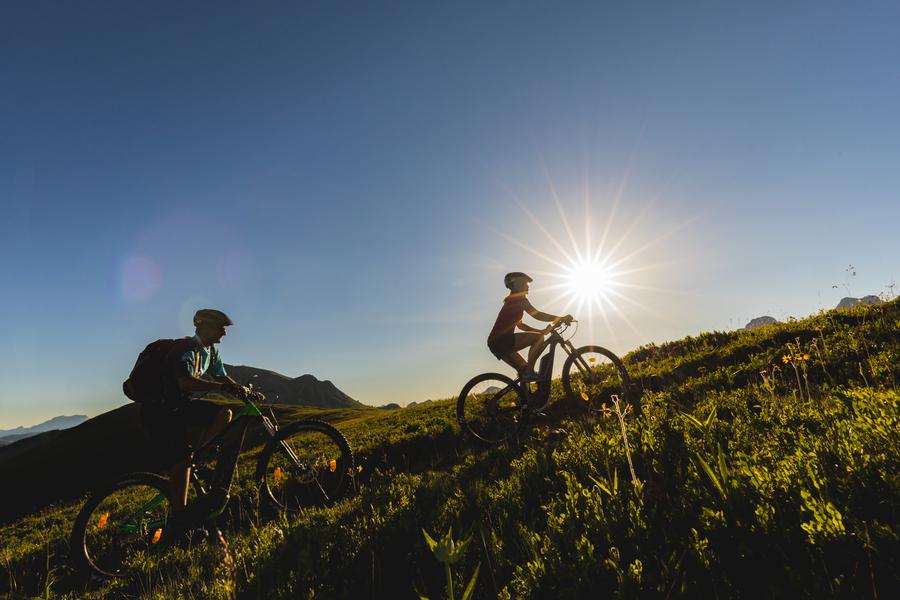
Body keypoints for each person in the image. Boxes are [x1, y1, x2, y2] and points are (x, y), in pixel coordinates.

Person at [138, 308, 251, 544]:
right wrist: (220, 388)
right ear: (204, 326)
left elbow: (221, 375)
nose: (224, 333)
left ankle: (197, 455)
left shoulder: (211, 351)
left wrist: (239, 389)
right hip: (160, 411)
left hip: (180, 408)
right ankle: (180, 526)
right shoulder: (185, 348)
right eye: (220, 327)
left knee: (224, 413)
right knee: (180, 459)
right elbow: (185, 382)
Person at [487, 272, 572, 381]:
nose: (528, 286)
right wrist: (560, 318)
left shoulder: (512, 300)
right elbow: (537, 314)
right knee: (538, 339)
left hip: (496, 342)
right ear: (517, 284)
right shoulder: (519, 299)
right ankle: (530, 372)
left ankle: (526, 395)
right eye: (525, 283)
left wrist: (539, 330)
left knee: (523, 370)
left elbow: (521, 325)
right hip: (502, 341)